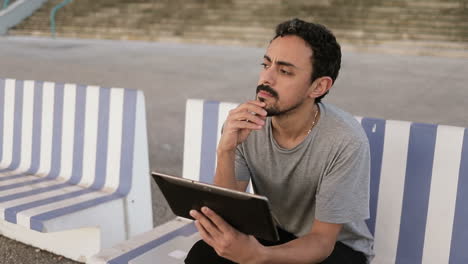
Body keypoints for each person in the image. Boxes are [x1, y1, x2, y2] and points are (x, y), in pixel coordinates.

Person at [185, 18, 374, 264]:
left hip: (336, 250)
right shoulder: (246, 123)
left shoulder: (344, 140)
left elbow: (322, 241)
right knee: (203, 255)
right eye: (266, 64)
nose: (267, 78)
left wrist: (258, 256)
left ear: (318, 86)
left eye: (284, 71)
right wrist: (226, 149)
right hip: (275, 233)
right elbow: (228, 215)